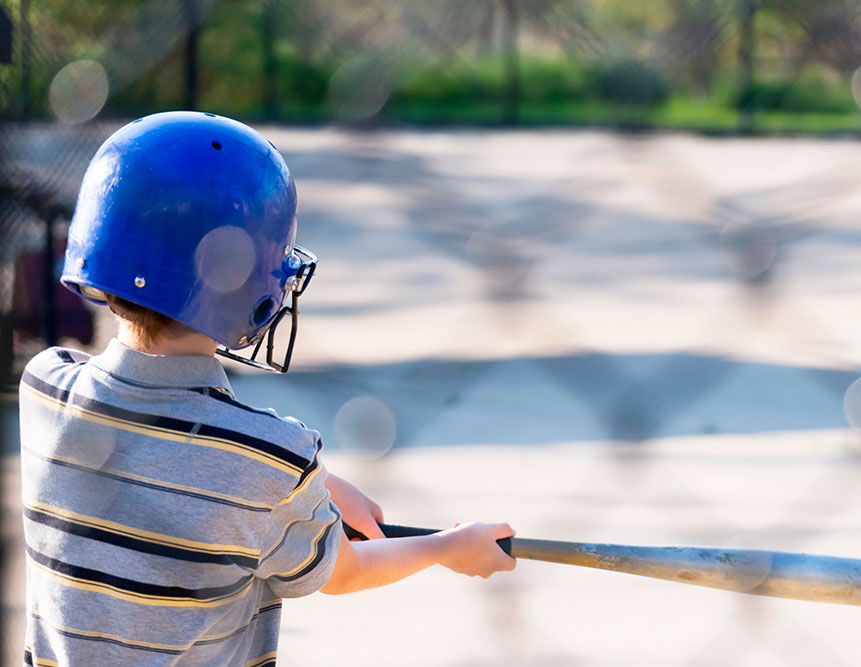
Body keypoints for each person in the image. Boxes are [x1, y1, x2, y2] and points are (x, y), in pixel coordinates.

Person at [19, 111, 515, 667]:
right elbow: (342, 572)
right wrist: (449, 547)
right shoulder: (271, 456)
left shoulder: (44, 388)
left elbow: (169, 461)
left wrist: (318, 486)